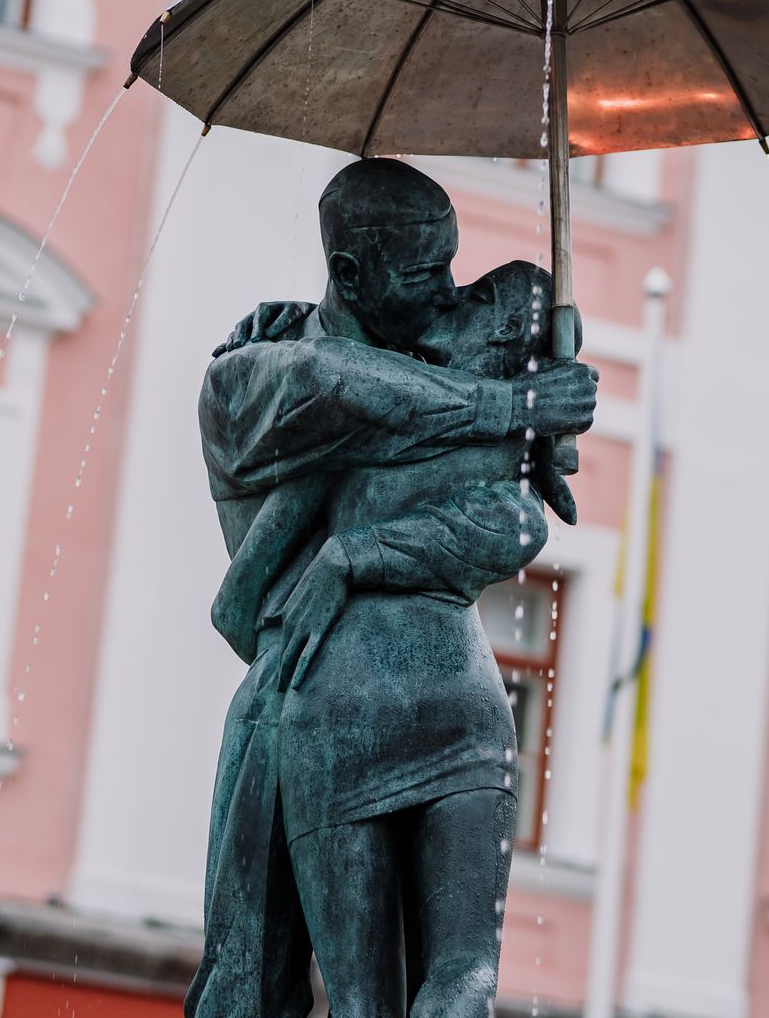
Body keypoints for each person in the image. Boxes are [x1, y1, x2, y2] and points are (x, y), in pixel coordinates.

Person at [187, 159, 596, 1018]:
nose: (446, 291)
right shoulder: (252, 376)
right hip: (316, 698)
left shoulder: (442, 356)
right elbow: (341, 387)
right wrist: (518, 407)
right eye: (423, 274)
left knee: (404, 989)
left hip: (394, 691)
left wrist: (524, 444)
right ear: (348, 273)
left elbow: (515, 523)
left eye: (450, 264)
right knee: (330, 989)